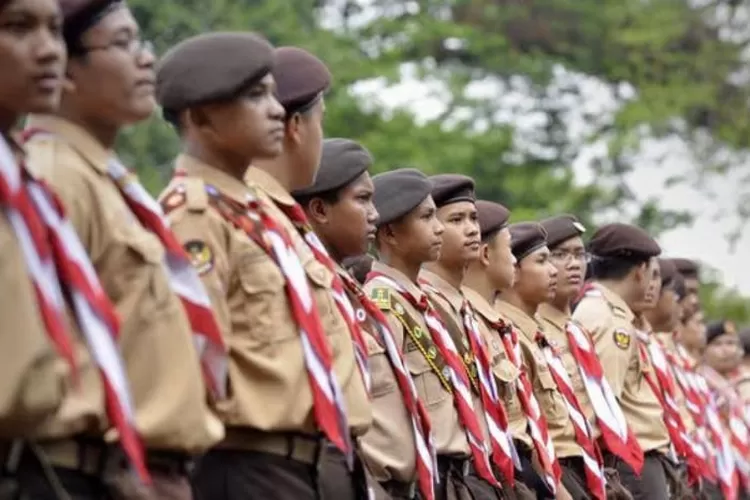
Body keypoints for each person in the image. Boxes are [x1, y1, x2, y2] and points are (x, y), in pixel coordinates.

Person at [24, 4, 229, 496]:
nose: (145, 60)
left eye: (141, 42)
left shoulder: (109, 183)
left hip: (148, 469)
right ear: (65, 69)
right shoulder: (54, 176)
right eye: (121, 44)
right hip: (89, 470)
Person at [157, 37, 371, 499]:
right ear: (201, 118)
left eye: (274, 95)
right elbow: (188, 362)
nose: (276, 111)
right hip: (245, 466)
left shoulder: (262, 219)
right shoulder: (194, 215)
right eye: (255, 96)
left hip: (305, 462)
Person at [0, 0, 139, 497]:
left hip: (61, 466)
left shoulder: (23, 175)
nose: (46, 51)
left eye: (55, 30)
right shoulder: (54, 172)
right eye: (17, 27)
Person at [248, 45, 373, 498]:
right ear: (297, 126)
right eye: (321, 120)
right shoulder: (242, 219)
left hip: (322, 458)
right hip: (264, 463)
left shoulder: (288, 228)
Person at [293, 139, 436, 500]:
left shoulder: (346, 291)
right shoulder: (309, 285)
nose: (375, 213)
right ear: (320, 210)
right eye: (362, 200)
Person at [365, 168, 479, 500]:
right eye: (427, 217)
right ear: (390, 234)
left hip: (455, 477)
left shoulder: (426, 304)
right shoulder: (380, 304)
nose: (439, 227)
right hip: (421, 482)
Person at [417, 175, 518, 499]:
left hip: (487, 471)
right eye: (456, 220)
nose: (472, 229)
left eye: (473, 218)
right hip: (448, 474)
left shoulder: (467, 310)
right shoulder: (423, 306)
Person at [537, 215, 641, 499]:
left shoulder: (579, 332)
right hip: (559, 467)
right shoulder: (533, 331)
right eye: (560, 255)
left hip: (595, 465)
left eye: (579, 254)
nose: (574, 264)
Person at [495, 222, 602, 500]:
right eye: (546, 259)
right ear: (514, 271)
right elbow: (523, 426)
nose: (557, 269)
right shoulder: (509, 334)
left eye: (580, 255)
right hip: (548, 471)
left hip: (578, 465)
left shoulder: (541, 332)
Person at [571, 223, 673, 500]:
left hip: (632, 459)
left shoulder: (600, 310)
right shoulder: (610, 320)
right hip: (629, 461)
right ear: (640, 271)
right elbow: (604, 404)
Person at [461, 200, 543, 500]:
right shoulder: (466, 321)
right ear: (485, 254)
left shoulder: (497, 325)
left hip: (525, 465)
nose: (514, 261)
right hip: (499, 469)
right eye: (509, 250)